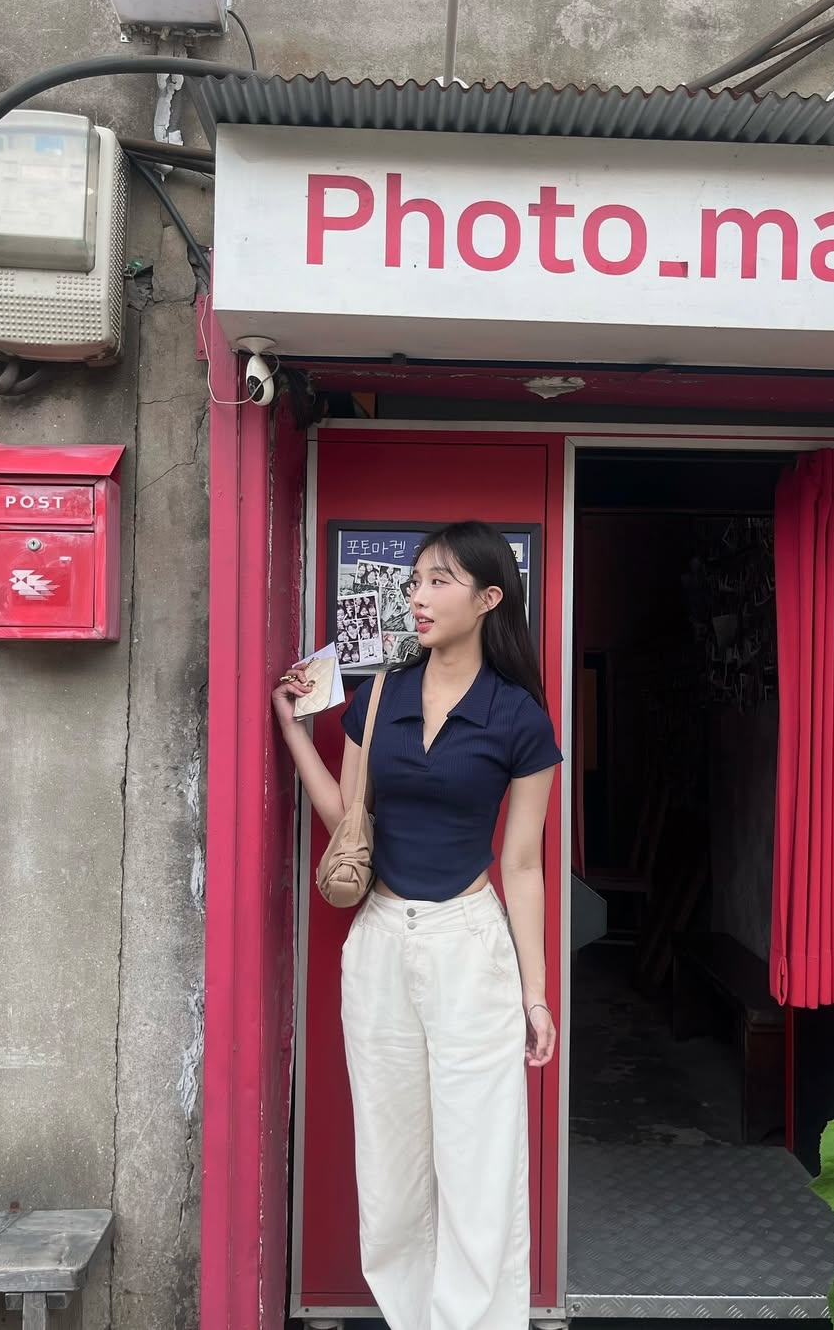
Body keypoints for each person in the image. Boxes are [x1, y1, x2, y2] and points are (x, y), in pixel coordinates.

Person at [272, 520, 561, 1330]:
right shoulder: (381, 696)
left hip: (470, 945)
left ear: (489, 598)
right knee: (391, 1160)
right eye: (414, 581)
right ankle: (409, 1317)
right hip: (380, 943)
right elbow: (346, 817)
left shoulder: (520, 719)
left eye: (439, 581)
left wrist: (536, 995)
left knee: (479, 1156)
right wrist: (294, 729)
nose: (418, 596)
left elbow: (523, 865)